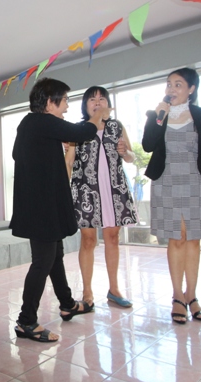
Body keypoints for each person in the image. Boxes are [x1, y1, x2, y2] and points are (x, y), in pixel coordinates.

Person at [10, 78, 109, 342]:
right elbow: (82, 132)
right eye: (64, 100)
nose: (67, 106)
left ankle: (67, 303)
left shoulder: (31, 124)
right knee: (43, 261)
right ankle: (26, 321)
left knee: (55, 255)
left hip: (43, 204)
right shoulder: (41, 121)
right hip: (40, 207)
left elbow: (20, 155)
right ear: (50, 102)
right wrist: (99, 114)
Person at [141, 67, 201, 324]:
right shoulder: (157, 114)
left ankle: (192, 295)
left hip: (197, 181)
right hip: (167, 181)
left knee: (193, 239)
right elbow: (147, 145)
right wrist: (159, 117)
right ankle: (177, 296)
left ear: (191, 89)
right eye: (169, 84)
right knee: (176, 238)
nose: (171, 89)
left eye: (178, 84)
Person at [65, 86, 138, 308]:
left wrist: (125, 152)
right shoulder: (78, 129)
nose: (97, 102)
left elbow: (131, 157)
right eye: (92, 99)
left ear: (108, 104)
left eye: (102, 98)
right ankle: (87, 291)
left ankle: (114, 289)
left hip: (114, 189)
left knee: (113, 238)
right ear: (85, 105)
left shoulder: (117, 126)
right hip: (85, 191)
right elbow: (69, 162)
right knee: (88, 240)